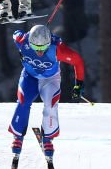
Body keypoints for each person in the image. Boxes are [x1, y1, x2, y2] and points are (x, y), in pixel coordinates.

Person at [8, 24, 85, 158]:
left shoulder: (57, 49)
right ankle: (18, 136)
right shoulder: (22, 42)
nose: (39, 52)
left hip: (50, 79)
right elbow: (16, 33)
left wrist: (78, 85)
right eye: (36, 47)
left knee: (50, 105)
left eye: (43, 47)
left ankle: (48, 137)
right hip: (30, 76)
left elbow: (77, 61)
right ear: (29, 42)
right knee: (22, 102)